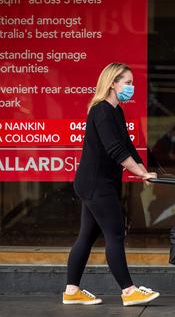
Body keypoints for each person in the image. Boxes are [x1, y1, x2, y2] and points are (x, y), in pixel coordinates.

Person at [63, 63, 160, 307]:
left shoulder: (115, 111)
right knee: (114, 234)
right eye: (127, 83)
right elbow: (115, 150)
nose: (131, 87)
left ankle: (71, 291)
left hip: (97, 183)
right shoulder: (101, 111)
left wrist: (143, 170)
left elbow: (126, 145)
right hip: (96, 184)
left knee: (86, 236)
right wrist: (140, 172)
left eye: (131, 83)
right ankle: (129, 291)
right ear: (112, 83)